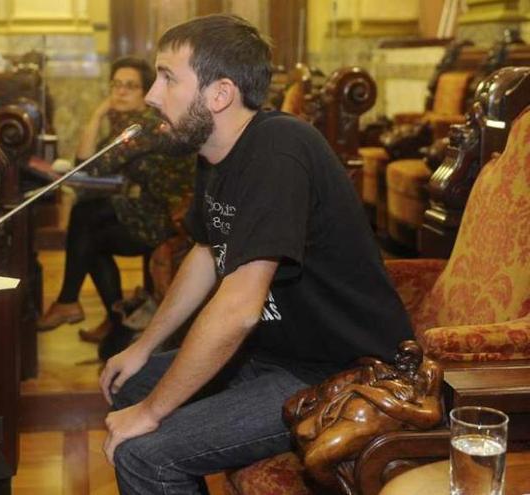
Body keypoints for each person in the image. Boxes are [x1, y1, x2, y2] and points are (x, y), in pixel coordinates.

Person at [98, 14, 414, 495]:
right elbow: (206, 253)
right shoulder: (216, 149)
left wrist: (151, 415)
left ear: (219, 94)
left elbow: (240, 309)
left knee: (145, 456)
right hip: (270, 355)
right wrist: (142, 347)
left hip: (337, 373)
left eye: (167, 78)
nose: (151, 94)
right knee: (128, 383)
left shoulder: (279, 150)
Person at [36, 57, 195, 343]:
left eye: (130, 86)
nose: (120, 92)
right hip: (151, 210)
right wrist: (99, 115)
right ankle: (114, 322)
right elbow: (88, 161)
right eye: (116, 85)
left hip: (170, 220)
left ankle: (76, 303)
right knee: (88, 233)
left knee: (85, 219)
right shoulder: (130, 123)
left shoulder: (147, 125)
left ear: (146, 93)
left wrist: (97, 115)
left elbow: (89, 167)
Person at [292, 340, 442, 487]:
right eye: (399, 355)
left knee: (315, 461)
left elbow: (430, 417)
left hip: (361, 423)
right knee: (299, 430)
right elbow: (360, 358)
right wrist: (376, 373)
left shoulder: (421, 386)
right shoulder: (387, 372)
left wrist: (361, 390)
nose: (399, 359)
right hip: (341, 410)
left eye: (407, 356)